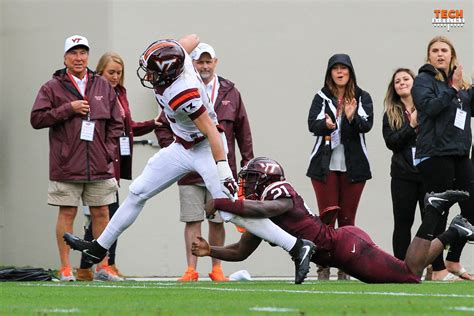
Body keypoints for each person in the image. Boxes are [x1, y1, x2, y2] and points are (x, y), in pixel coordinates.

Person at [63, 35, 315, 284]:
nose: (148, 75)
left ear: (168, 72)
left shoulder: (182, 92)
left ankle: (296, 246)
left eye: (152, 70)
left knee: (231, 214)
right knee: (138, 191)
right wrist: (174, 49)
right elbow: (192, 38)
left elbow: (213, 133)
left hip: (205, 147)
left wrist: (224, 171)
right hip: (182, 146)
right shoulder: (179, 58)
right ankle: (99, 247)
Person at [193, 157, 474, 283]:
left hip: (346, 249)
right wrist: (210, 252)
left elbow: (266, 209)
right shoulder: (262, 212)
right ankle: (454, 232)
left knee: (410, 275)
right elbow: (241, 251)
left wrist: (221, 202)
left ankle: (434, 210)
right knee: (409, 267)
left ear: (267, 179)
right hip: (344, 247)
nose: (248, 186)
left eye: (252, 179)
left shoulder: (277, 193)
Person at [155, 43, 254, 282]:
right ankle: (191, 269)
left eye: (209, 61)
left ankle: (217, 268)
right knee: (192, 219)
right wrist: (175, 150)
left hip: (220, 166)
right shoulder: (181, 87)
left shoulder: (230, 90)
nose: (205, 66)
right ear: (192, 64)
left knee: (218, 220)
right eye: (200, 61)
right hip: (189, 169)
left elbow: (243, 130)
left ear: (216, 63)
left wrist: (247, 163)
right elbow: (162, 124)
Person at [30, 35, 123, 281]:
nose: (79, 58)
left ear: (88, 56)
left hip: (99, 164)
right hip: (66, 164)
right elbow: (37, 119)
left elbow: (117, 121)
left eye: (83, 53)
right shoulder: (52, 87)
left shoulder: (102, 85)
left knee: (102, 213)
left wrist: (107, 149)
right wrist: (68, 109)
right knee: (67, 213)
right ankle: (65, 269)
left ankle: (103, 267)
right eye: (73, 53)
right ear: (65, 57)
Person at [76, 52, 160, 281]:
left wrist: (152, 123)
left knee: (104, 214)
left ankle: (92, 266)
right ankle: (103, 264)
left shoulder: (120, 93)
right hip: (101, 160)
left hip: (116, 160)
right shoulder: (93, 92)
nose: (115, 77)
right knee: (109, 214)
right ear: (100, 71)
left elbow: (127, 127)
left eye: (118, 73)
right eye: (110, 72)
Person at [412, 36, 474, 281]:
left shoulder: (460, 84)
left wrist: (461, 89)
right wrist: (453, 89)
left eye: (444, 50)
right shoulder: (423, 81)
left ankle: (453, 258)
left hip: (460, 154)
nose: (440, 54)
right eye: (435, 50)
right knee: (440, 209)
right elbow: (430, 108)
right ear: (429, 56)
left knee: (470, 208)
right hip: (435, 154)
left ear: (452, 56)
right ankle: (437, 268)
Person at [306, 53, 373, 280]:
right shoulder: (321, 96)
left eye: (344, 68)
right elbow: (311, 124)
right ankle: (323, 266)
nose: (340, 72)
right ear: (330, 73)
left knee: (347, 221)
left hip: (354, 167)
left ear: (350, 72)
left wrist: (352, 117)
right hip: (324, 165)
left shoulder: (362, 97)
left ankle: (345, 266)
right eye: (335, 69)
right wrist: (325, 124)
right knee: (326, 219)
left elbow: (367, 125)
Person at [382, 68, 426, 261]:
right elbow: (392, 143)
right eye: (397, 81)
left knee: (430, 223)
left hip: (428, 173)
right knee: (402, 222)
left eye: (405, 79)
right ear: (394, 88)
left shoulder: (427, 108)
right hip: (402, 174)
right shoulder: (390, 114)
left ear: (414, 83)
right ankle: (400, 265)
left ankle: (433, 266)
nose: (401, 83)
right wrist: (411, 126)